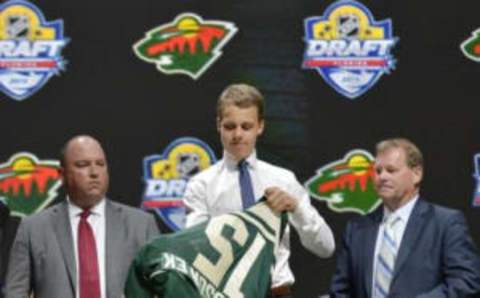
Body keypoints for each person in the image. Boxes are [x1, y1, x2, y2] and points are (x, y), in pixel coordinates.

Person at [184, 83, 335, 298]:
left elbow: (325, 247)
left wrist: (297, 208)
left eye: (246, 126)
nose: (237, 134)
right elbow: (193, 252)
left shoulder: (283, 180)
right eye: (230, 126)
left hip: (276, 293)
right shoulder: (201, 185)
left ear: (260, 126)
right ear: (218, 125)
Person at [5, 135, 159, 298]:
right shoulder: (33, 228)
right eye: (82, 165)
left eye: (100, 164)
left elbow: (160, 288)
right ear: (62, 174)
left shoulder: (142, 225)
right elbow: (15, 291)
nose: (94, 172)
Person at [329, 138, 480, 297]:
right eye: (378, 171)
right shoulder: (356, 229)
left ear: (416, 174)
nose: (382, 177)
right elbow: (341, 291)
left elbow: (467, 281)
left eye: (391, 170)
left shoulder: (445, 223)